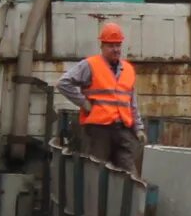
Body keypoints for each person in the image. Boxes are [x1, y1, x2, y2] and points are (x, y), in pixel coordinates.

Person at [56, 20, 142, 172]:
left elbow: (132, 103)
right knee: (97, 171)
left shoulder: (128, 69)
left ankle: (125, 195)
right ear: (102, 46)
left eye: (118, 45)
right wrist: (84, 103)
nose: (115, 49)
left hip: (122, 130)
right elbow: (63, 83)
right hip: (98, 131)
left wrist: (139, 129)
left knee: (129, 174)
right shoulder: (90, 65)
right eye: (111, 45)